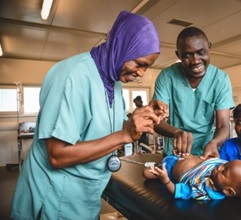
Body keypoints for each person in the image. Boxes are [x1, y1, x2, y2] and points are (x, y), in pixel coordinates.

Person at [11, 11, 168, 220]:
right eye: (139, 64)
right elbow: (57, 155)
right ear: (121, 46)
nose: (141, 73)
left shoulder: (115, 82)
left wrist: (143, 116)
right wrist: (125, 135)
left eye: (147, 67)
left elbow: (106, 124)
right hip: (56, 196)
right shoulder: (73, 76)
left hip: (85, 196)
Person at [152, 27, 234, 158]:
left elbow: (223, 125)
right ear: (178, 55)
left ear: (209, 47)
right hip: (175, 153)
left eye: (201, 52)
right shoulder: (167, 76)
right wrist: (177, 133)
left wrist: (214, 142)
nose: (195, 61)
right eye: (187, 55)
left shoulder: (220, 79)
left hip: (206, 153)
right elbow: (156, 121)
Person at [143, 154, 241, 200]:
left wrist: (165, 180)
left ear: (228, 191)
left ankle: (156, 166)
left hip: (168, 170)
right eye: (226, 164)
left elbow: (178, 191)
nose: (220, 166)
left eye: (224, 171)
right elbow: (209, 161)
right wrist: (195, 157)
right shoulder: (222, 168)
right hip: (177, 157)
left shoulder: (202, 191)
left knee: (146, 173)